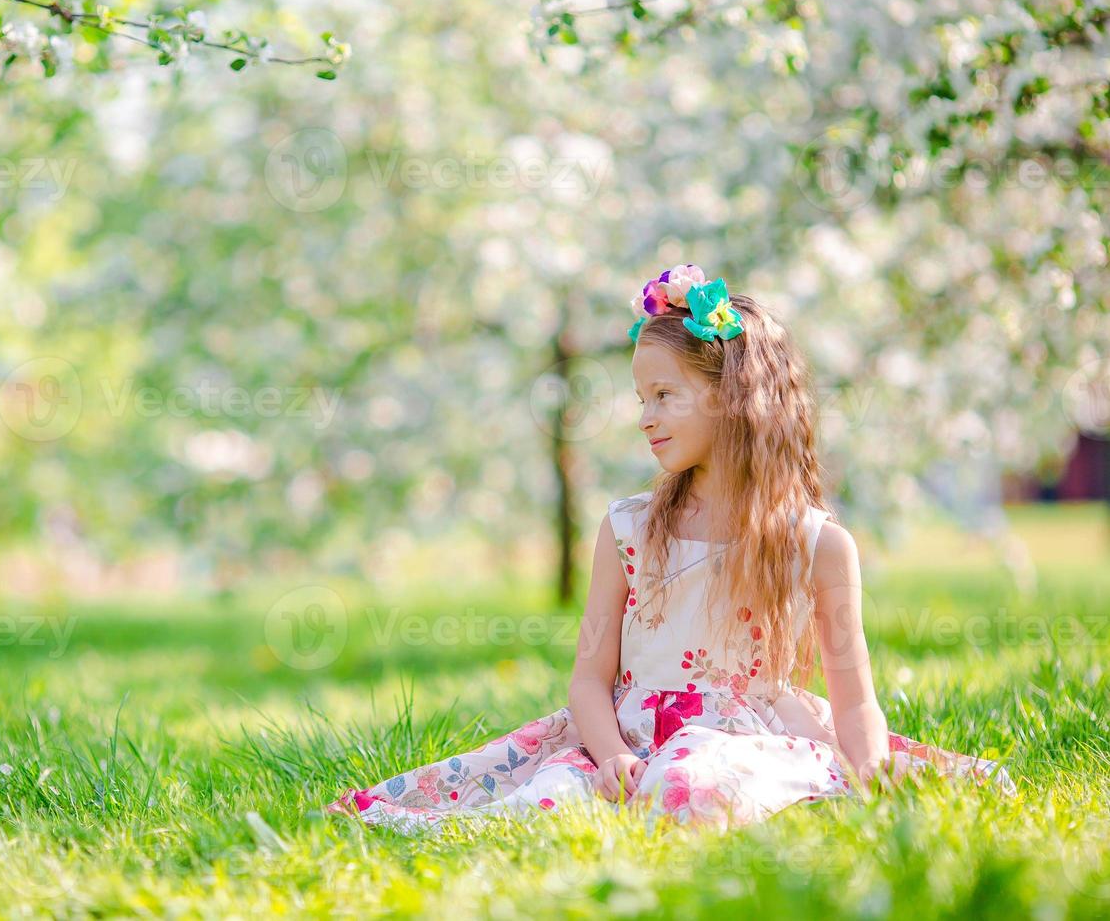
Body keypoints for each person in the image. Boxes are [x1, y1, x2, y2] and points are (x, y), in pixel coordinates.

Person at [323, 264, 1018, 835]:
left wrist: (868, 769)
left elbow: (855, 697)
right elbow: (589, 679)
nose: (646, 416)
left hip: (740, 736)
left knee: (690, 785)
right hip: (624, 734)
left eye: (664, 394)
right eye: (639, 398)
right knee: (538, 807)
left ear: (733, 399)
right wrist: (612, 753)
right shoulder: (626, 530)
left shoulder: (817, 544)